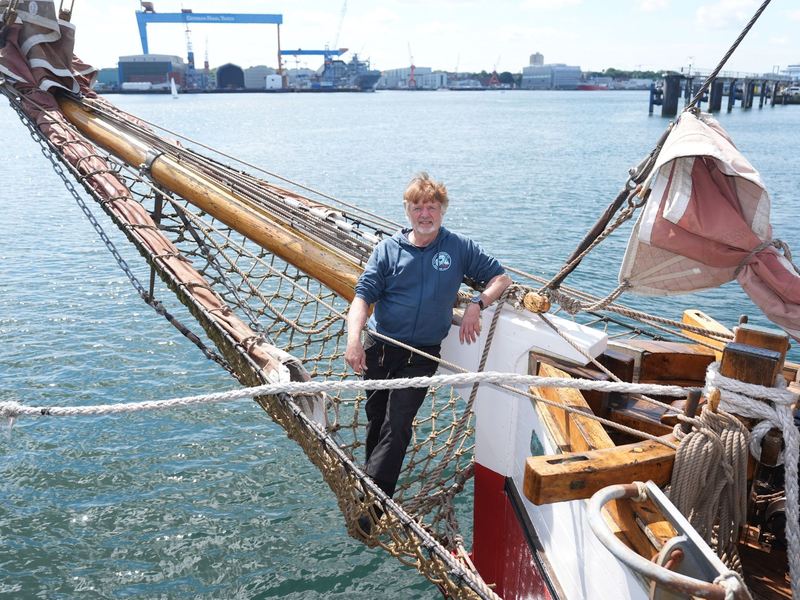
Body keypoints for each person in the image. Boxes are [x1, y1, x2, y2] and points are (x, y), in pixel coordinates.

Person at [345, 172, 512, 503]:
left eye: (432, 206)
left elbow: (501, 278)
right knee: (377, 419)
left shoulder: (459, 247)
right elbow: (362, 297)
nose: (425, 214)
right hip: (379, 348)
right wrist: (353, 340)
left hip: (420, 354)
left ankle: (376, 504)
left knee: (398, 424)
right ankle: (369, 482)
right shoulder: (388, 250)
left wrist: (477, 305)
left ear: (443, 210)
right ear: (407, 211)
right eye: (418, 207)